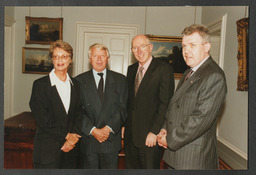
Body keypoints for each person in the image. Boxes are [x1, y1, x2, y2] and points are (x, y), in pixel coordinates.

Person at [157, 24, 227, 170]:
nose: (186, 51)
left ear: (206, 46)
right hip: (175, 155)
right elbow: (175, 106)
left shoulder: (214, 75)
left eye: (192, 45)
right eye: (184, 46)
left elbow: (200, 119)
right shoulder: (188, 73)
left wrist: (169, 139)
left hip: (193, 159)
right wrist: (165, 128)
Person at [29, 40, 82, 169]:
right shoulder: (40, 85)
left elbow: (79, 114)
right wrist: (67, 136)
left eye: (64, 56)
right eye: (56, 56)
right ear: (52, 60)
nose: (60, 60)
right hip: (47, 151)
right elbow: (43, 119)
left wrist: (73, 139)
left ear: (70, 60)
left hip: (72, 152)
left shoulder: (77, 85)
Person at [124, 34, 175, 169]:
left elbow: (166, 104)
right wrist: (124, 125)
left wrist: (154, 131)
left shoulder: (163, 69)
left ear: (151, 47)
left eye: (142, 46)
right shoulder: (131, 69)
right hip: (130, 137)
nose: (139, 51)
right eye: (135, 48)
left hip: (150, 138)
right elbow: (129, 102)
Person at [75, 43, 127, 169]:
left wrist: (107, 129)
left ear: (108, 59)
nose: (99, 59)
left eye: (102, 56)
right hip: (89, 141)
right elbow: (77, 111)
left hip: (110, 140)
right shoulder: (78, 81)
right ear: (89, 59)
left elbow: (123, 108)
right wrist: (94, 130)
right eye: (95, 56)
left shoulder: (121, 80)